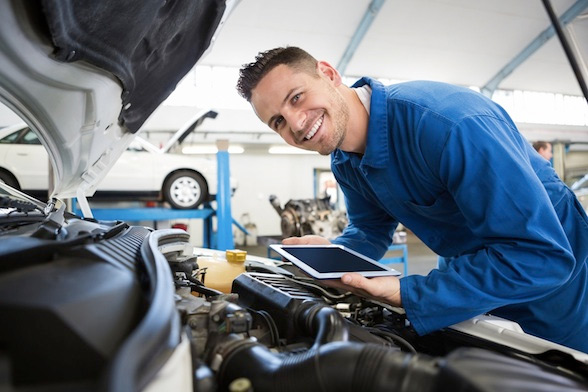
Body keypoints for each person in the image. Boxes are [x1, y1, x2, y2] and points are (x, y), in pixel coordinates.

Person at [236, 46, 588, 352]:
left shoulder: (448, 124)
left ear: (328, 74)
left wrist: (409, 293)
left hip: (553, 281)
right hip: (470, 268)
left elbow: (541, 257)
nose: (296, 124)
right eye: (278, 121)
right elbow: (370, 230)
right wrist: (332, 258)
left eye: (296, 97)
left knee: (557, 372)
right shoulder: (344, 161)